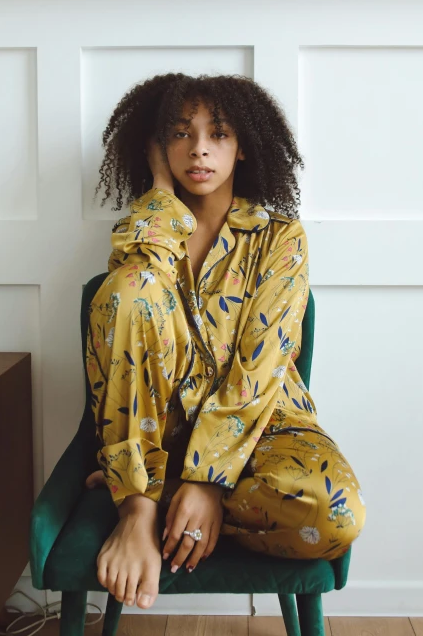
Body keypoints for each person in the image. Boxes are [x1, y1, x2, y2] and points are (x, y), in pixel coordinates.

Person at [84, 72, 366, 610]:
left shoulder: (281, 238)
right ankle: (138, 511)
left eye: (218, 134)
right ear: (157, 148)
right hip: (158, 427)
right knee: (130, 286)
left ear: (242, 148)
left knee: (336, 515)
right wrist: (162, 197)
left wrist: (208, 481)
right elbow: (128, 312)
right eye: (181, 134)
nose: (199, 150)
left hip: (264, 425)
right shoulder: (148, 231)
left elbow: (260, 372)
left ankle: (155, 491)